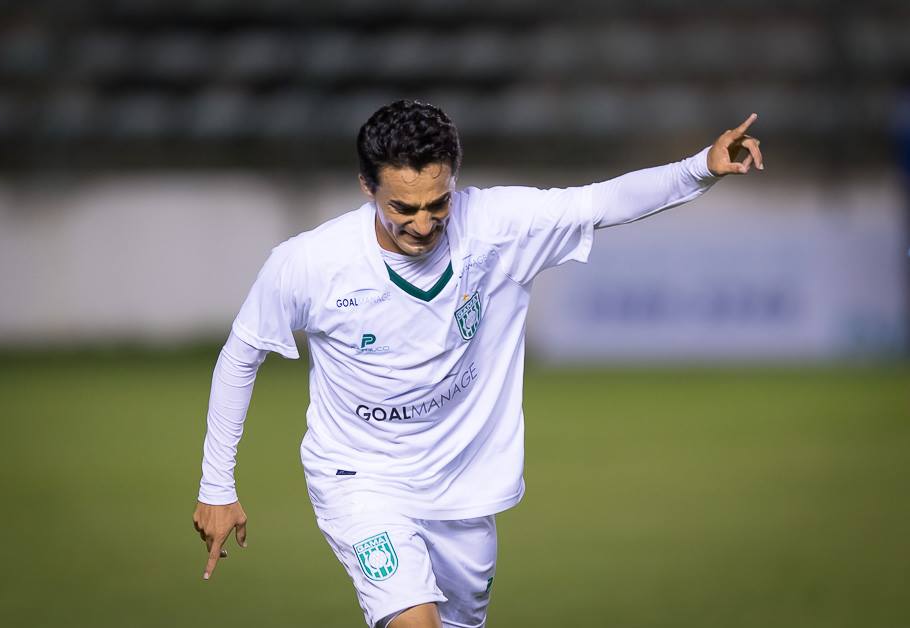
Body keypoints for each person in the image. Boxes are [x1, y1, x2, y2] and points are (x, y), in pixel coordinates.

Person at [193, 99, 764, 628]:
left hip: (466, 488)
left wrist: (699, 168)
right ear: (366, 187)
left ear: (455, 184)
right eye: (402, 207)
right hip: (361, 477)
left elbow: (599, 202)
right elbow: (240, 356)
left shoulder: (496, 227)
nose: (422, 223)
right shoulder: (309, 263)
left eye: (437, 203)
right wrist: (217, 486)